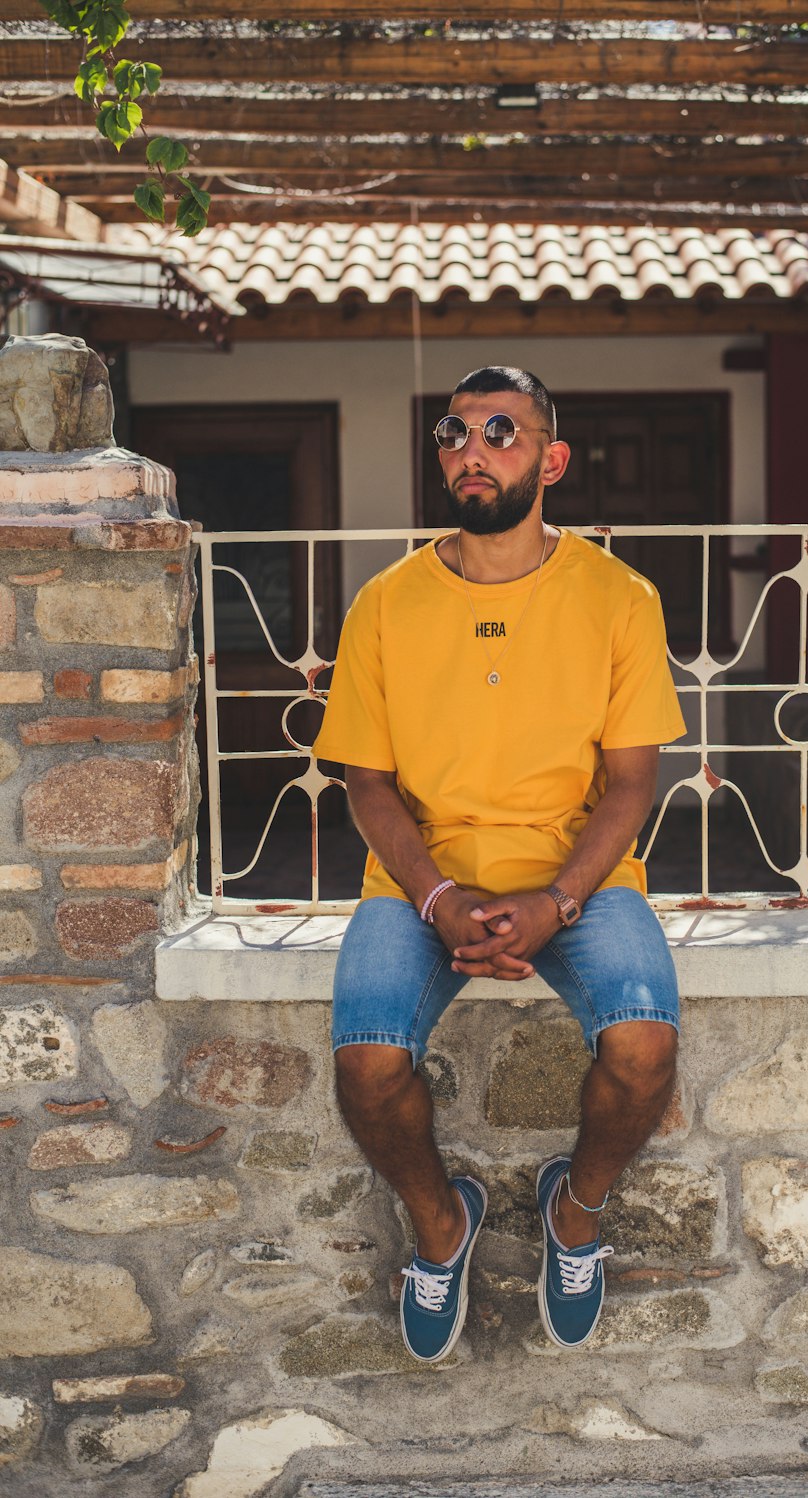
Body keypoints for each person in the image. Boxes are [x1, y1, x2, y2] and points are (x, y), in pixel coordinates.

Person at [313, 365, 686, 1363]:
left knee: (645, 1044)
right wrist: (436, 897)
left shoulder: (619, 596)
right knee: (365, 1062)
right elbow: (368, 784)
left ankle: (575, 1213)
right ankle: (443, 1226)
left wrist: (557, 900)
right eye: (452, 432)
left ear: (551, 459)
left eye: (499, 430)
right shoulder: (386, 604)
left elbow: (628, 783)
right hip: (421, 883)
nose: (469, 449)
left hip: (581, 877)